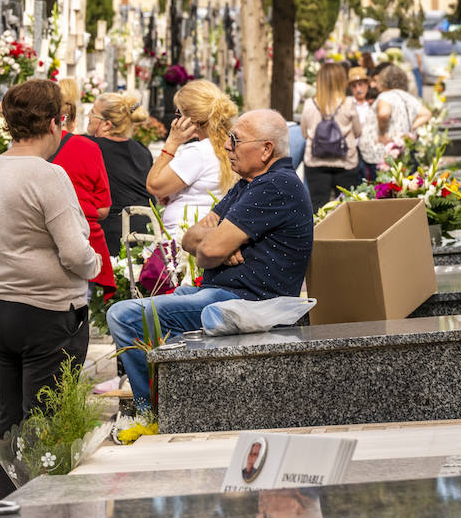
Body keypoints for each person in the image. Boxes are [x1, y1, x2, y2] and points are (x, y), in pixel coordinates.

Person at [107, 110, 314, 413]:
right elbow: (190, 238)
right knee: (161, 307)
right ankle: (181, 404)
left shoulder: (275, 185)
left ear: (266, 149)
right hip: (222, 294)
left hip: (246, 302)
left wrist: (213, 243)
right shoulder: (249, 183)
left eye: (236, 140)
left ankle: (152, 411)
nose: (228, 147)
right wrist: (215, 242)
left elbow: (206, 251)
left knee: (124, 316)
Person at [0, 79, 99, 496]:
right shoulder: (48, 176)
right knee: (46, 417)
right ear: (54, 122)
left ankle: (9, 502)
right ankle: (41, 510)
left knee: (11, 414)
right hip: (49, 311)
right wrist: (94, 264)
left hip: (2, 309)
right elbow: (76, 254)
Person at [145, 79, 237, 238]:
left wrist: (172, 142)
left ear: (189, 118)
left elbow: (154, 186)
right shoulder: (230, 146)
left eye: (178, 113)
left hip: (183, 238)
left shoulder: (198, 152)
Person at [52, 80, 114, 294]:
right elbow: (103, 208)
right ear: (73, 119)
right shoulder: (88, 148)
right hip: (82, 240)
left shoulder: (26, 149)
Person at [85, 91, 155, 258]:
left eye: (93, 112)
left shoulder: (90, 147)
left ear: (107, 124)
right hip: (144, 230)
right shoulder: (141, 149)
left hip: (111, 234)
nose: (88, 115)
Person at [299, 61, 362, 211]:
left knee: (318, 206)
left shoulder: (309, 104)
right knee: (347, 207)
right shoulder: (348, 103)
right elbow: (358, 131)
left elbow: (304, 133)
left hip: (316, 162)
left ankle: (319, 234)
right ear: (341, 80)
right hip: (345, 161)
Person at [374, 65, 432, 152]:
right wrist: (411, 127)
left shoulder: (386, 96)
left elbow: (384, 114)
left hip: (386, 148)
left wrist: (382, 133)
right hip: (402, 146)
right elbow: (427, 114)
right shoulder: (408, 97)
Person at [349, 67, 377, 181]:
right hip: (354, 150)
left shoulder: (374, 104)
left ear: (367, 85)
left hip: (372, 149)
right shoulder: (348, 104)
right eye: (354, 86)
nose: (358, 89)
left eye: (360, 84)